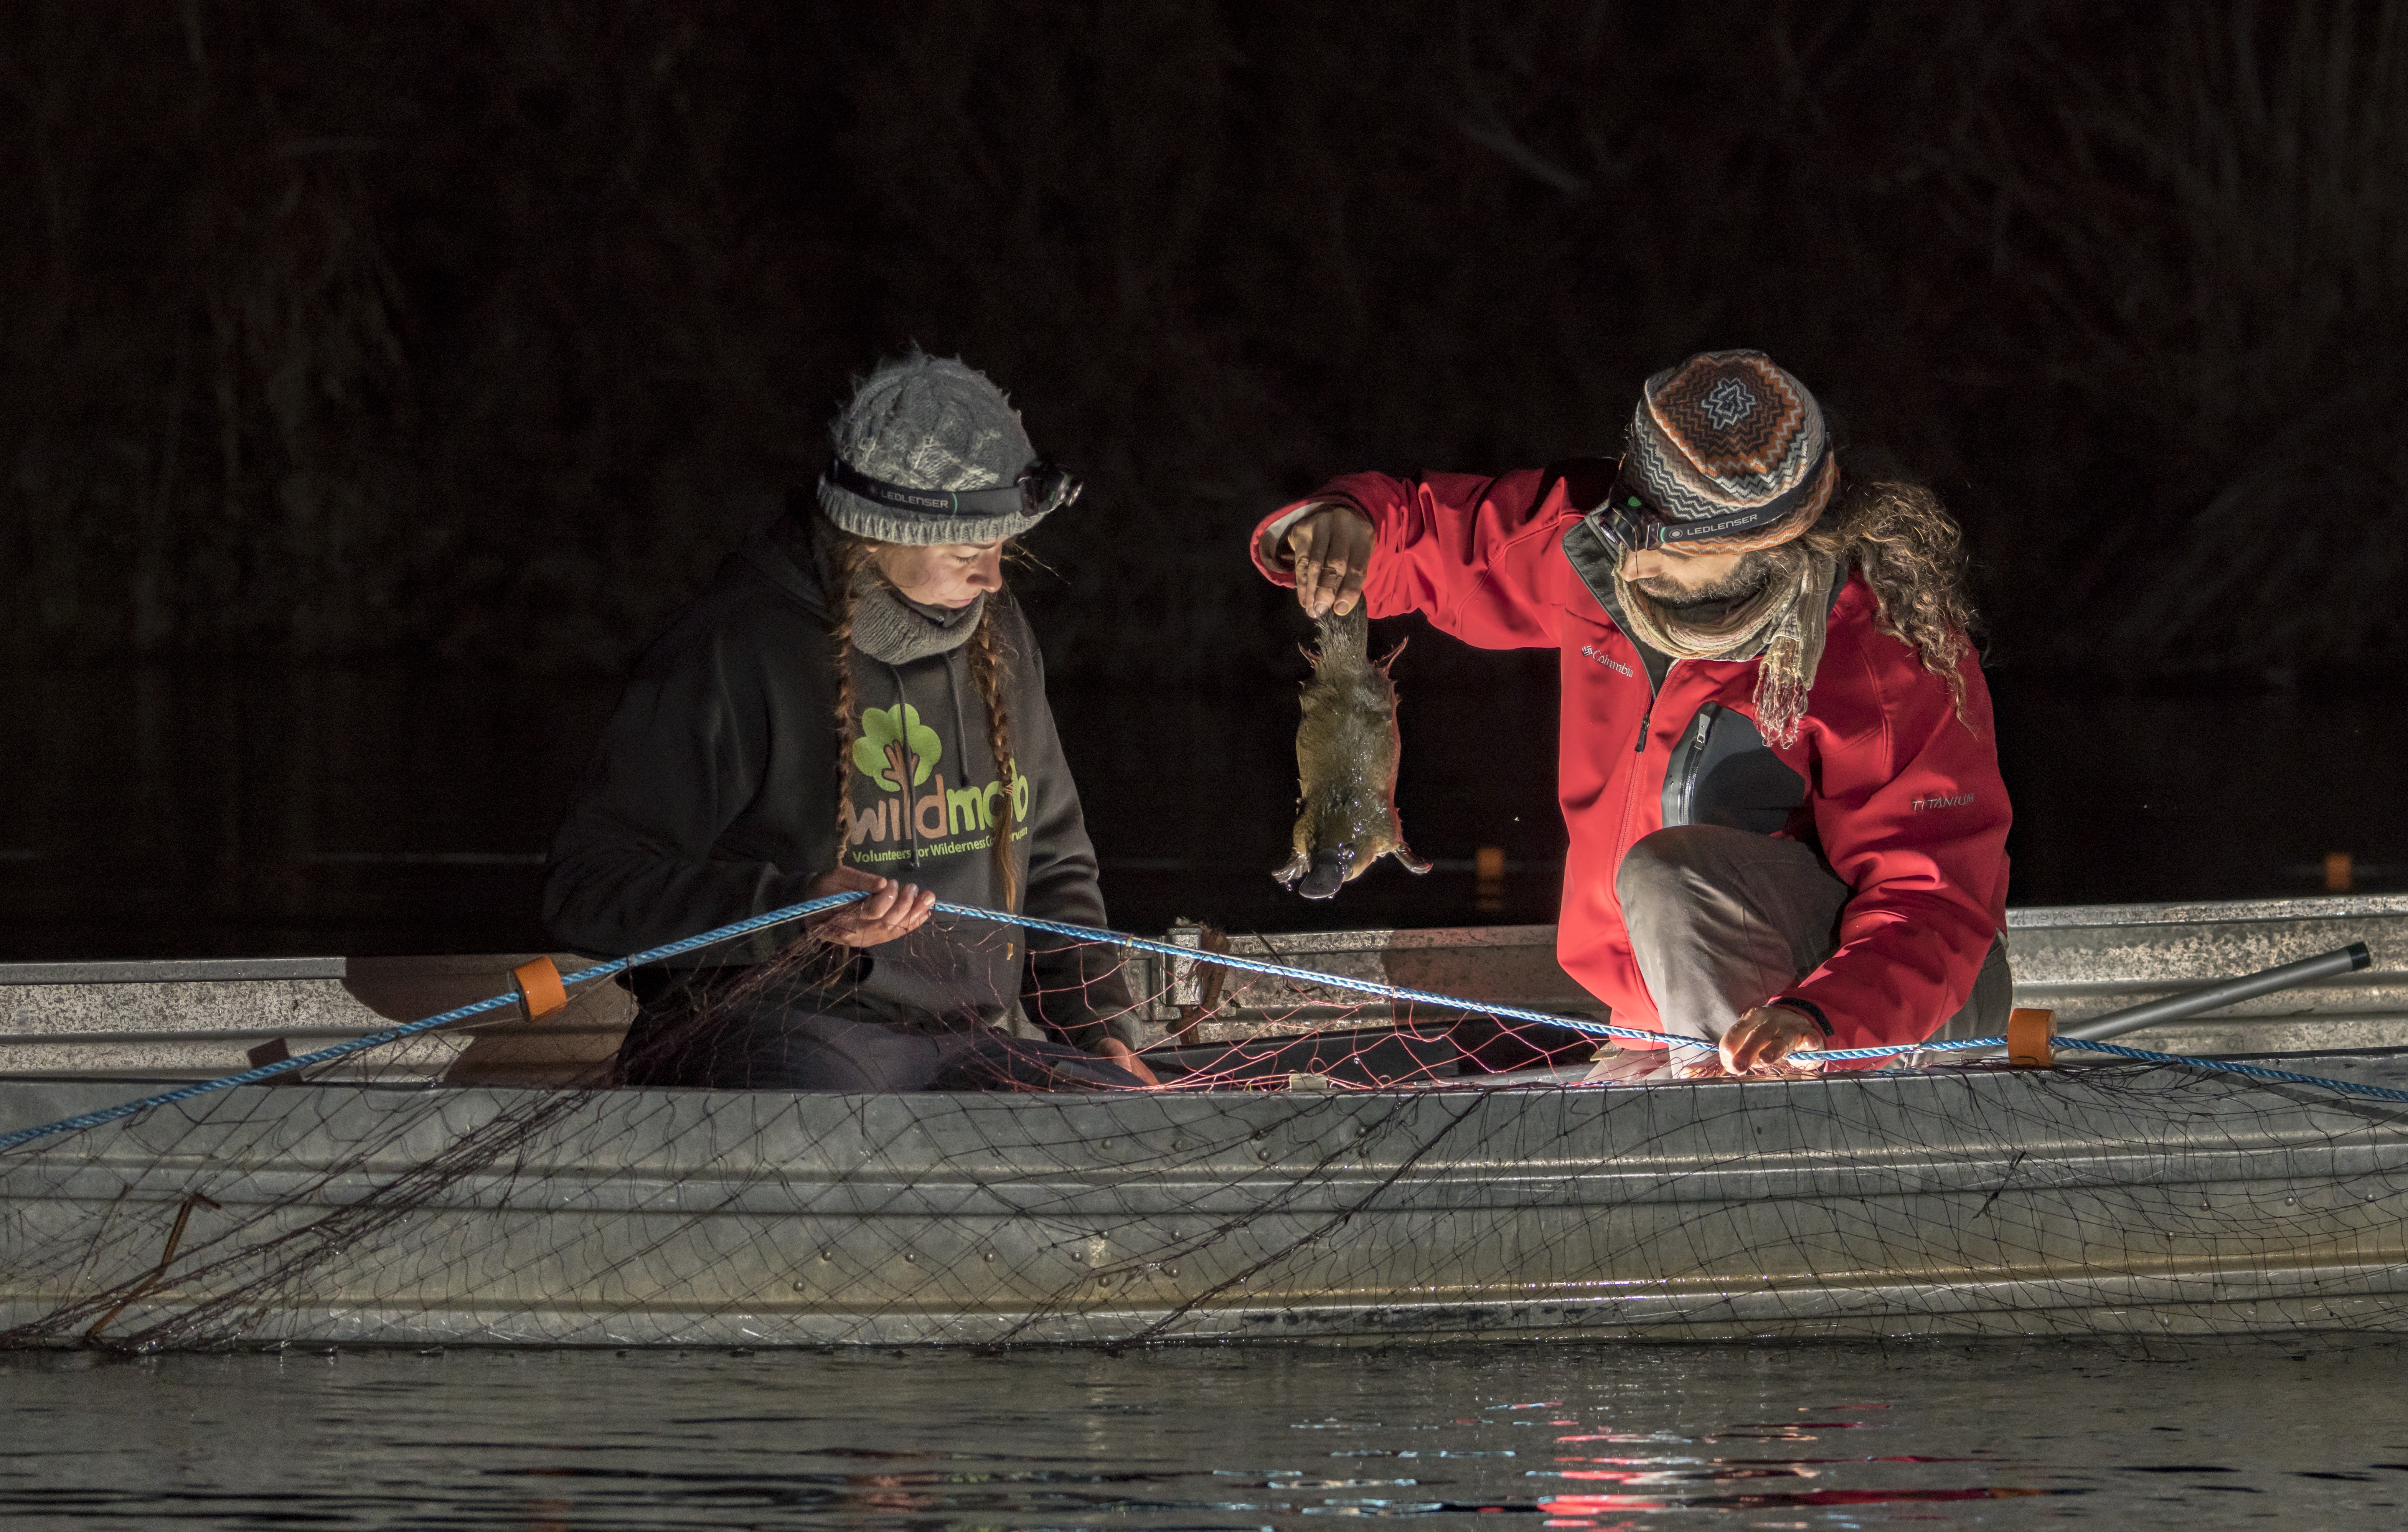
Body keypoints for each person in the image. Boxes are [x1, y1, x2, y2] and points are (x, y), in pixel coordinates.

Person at [1253, 349, 2011, 1079]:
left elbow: (1931, 898)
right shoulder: (1601, 547)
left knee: (1668, 877)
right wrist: (1346, 524)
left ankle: (1749, 1111)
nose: (1629, 558)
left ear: (1764, 546)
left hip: (1875, 1008)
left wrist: (1821, 1015)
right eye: (1625, 518)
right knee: (1665, 893)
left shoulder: (1885, 652)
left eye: (1665, 546)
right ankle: (1675, 1054)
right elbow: (1449, 541)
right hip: (1654, 1015)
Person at [546, 351, 1154, 1090]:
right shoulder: (735, 648)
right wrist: (793, 911)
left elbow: (1055, 861)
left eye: (1004, 550)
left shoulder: (1001, 637)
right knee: (840, 1123)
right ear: (876, 534)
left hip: (959, 1038)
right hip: (771, 1024)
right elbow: (590, 888)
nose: (994, 578)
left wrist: (1098, 1028)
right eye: (970, 551)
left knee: (1113, 1108)